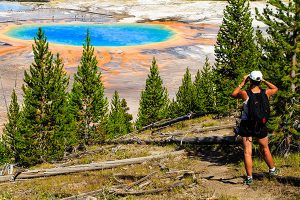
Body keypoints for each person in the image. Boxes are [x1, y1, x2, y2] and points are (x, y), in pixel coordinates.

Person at [231, 71, 279, 185]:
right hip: (261, 125)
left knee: (247, 152)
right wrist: (264, 80)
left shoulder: (245, 94)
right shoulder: (266, 92)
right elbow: (275, 88)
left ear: (250, 80)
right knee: (265, 148)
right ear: (259, 81)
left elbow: (233, 94)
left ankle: (249, 178)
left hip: (247, 125)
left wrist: (243, 82)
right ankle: (272, 170)